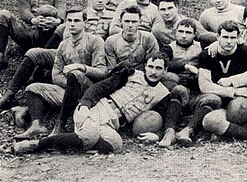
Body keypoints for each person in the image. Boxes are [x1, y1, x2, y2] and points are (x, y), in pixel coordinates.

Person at [12, 53, 188, 154]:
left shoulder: (163, 93)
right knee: (90, 135)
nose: (154, 71)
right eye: (151, 66)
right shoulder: (131, 73)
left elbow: (162, 117)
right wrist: (85, 105)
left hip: (114, 123)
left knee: (116, 146)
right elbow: (101, 87)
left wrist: (156, 135)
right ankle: (38, 145)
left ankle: (73, 144)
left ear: (165, 71)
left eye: (158, 68)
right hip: (99, 108)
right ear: (146, 66)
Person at [0, 0, 112, 111]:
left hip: (89, 57)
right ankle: (10, 94)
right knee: (35, 53)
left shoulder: (112, 17)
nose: (100, 0)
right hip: (68, 52)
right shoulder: (79, 15)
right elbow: (62, 31)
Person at [14, 8, 107, 139]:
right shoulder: (63, 45)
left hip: (87, 91)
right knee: (32, 88)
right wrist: (69, 82)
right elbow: (56, 75)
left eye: (77, 20)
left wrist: (81, 67)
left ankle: (61, 125)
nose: (72, 24)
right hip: (67, 90)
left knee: (75, 73)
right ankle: (37, 125)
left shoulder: (95, 41)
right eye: (69, 20)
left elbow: (102, 72)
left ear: (84, 23)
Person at [0, 0, 65, 69]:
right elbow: (24, 12)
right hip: (29, 32)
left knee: (47, 11)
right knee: (3, 14)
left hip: (50, 32)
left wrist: (56, 21)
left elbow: (61, 10)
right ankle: (0, 55)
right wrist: (34, 20)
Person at [105, 5, 159, 72]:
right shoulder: (111, 41)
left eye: (134, 22)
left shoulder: (148, 38)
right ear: (121, 22)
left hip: (143, 76)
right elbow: (112, 70)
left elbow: (153, 65)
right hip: (120, 77)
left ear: (140, 22)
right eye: (127, 21)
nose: (130, 25)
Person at [152, 0, 216, 48]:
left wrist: (215, 45)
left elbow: (209, 38)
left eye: (170, 8)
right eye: (163, 9)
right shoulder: (157, 29)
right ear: (158, 11)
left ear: (176, 7)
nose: (167, 13)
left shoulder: (191, 22)